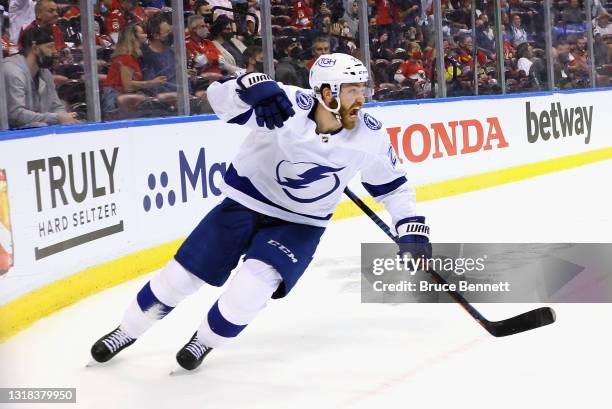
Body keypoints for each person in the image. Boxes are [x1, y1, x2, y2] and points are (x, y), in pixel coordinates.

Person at [89, 53, 431, 371]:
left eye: (363, 89)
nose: (362, 98)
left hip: (300, 225)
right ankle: (127, 330)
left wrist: (410, 227)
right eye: (353, 89)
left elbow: (393, 187)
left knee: (251, 290)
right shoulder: (284, 102)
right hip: (244, 204)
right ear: (326, 91)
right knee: (179, 278)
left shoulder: (370, 135)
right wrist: (248, 88)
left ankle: (204, 341)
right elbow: (220, 101)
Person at [2, 26, 79, 128]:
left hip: (33, 130)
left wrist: (65, 118)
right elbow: (16, 114)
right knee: (39, 125)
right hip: (8, 136)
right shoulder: (12, 71)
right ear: (35, 48)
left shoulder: (44, 72)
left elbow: (56, 106)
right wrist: (57, 118)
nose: (55, 51)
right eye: (50, 47)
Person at [101, 24, 167, 115]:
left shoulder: (131, 57)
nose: (145, 35)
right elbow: (127, 86)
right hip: (115, 103)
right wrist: (152, 82)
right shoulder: (126, 57)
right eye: (142, 33)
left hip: (120, 98)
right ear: (133, 37)